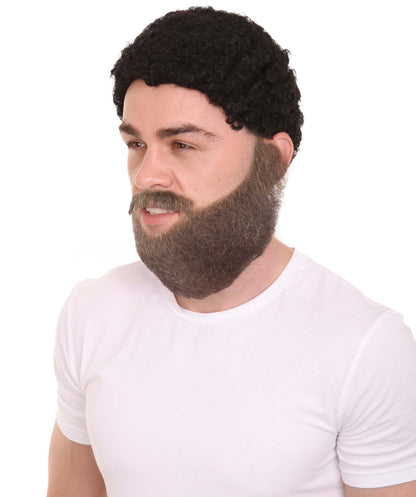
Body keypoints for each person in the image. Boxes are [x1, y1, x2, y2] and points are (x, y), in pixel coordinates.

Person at [47, 6, 416, 497]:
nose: (147, 175)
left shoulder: (366, 348)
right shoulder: (92, 313)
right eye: (136, 144)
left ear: (274, 158)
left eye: (182, 145)